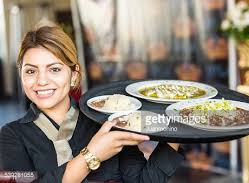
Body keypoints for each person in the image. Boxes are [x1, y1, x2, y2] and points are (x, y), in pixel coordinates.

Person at [0, 24, 183, 182]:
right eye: (31, 71)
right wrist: (92, 155)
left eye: (54, 69)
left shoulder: (106, 122)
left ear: (74, 74)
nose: (41, 81)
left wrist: (177, 128)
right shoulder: (10, 136)